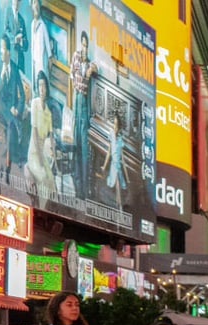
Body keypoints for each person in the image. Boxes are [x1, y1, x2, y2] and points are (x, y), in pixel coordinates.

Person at [70, 31, 98, 198]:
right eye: (83, 44)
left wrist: (89, 70)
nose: (84, 48)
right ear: (81, 44)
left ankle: (85, 190)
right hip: (77, 100)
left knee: (84, 149)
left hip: (85, 105)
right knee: (76, 146)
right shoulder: (76, 56)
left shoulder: (89, 63)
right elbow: (75, 77)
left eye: (87, 45)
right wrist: (85, 73)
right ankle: (78, 186)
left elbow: (94, 69)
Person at [0, 36, 26, 185]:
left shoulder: (14, 69)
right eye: (0, 48)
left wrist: (18, 110)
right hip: (1, 108)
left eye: (2, 48)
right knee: (11, 126)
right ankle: (7, 166)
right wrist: (7, 111)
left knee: (12, 128)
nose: (0, 52)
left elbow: (23, 95)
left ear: (8, 51)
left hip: (12, 114)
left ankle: (6, 168)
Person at [25, 70, 55, 200]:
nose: (42, 89)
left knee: (52, 181)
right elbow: (34, 132)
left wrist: (53, 151)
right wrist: (40, 157)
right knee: (43, 177)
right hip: (34, 152)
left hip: (42, 152)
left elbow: (52, 135)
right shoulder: (34, 103)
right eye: (39, 86)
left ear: (47, 88)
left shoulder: (49, 113)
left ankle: (47, 210)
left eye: (44, 86)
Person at [100, 112, 128, 209]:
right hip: (113, 165)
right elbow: (108, 152)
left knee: (118, 185)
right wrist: (104, 165)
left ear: (119, 126)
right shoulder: (111, 134)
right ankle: (119, 206)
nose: (114, 126)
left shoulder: (120, 138)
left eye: (116, 124)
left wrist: (127, 175)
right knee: (116, 184)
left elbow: (122, 157)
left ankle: (118, 205)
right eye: (114, 124)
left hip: (118, 165)